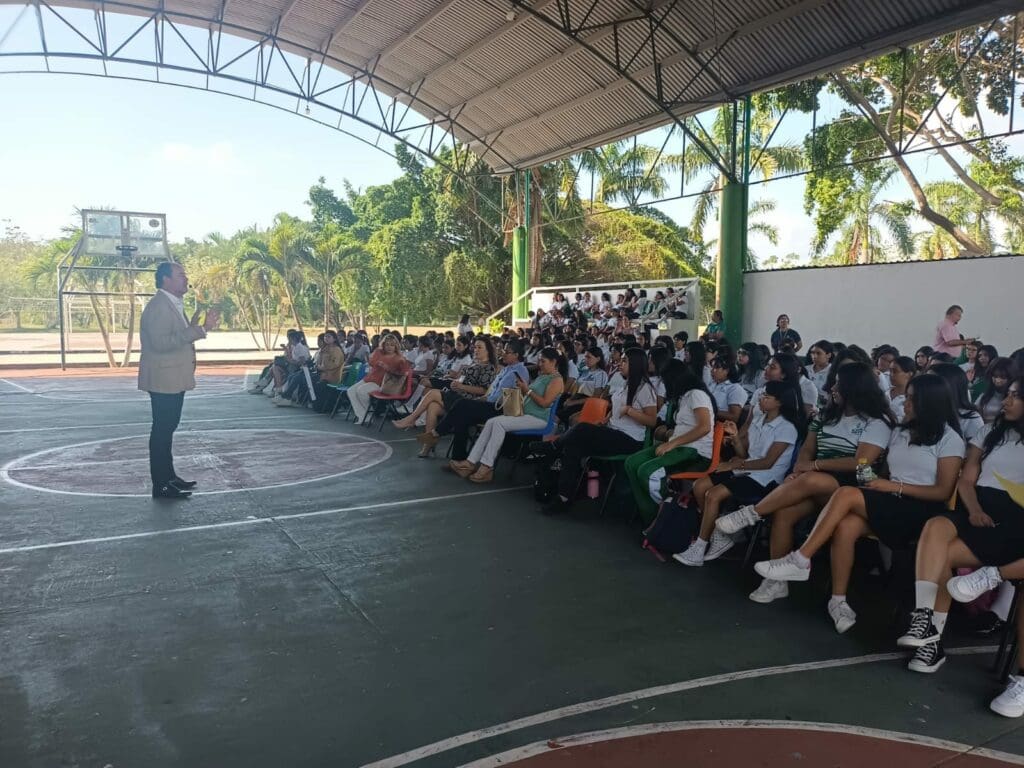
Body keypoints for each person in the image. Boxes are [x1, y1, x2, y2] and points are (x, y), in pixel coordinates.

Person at [755, 374, 965, 634]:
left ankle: (800, 559)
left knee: (845, 494)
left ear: (930, 403)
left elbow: (943, 492)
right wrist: (877, 480)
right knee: (846, 526)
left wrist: (893, 486)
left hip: (921, 510)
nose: (906, 403)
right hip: (892, 501)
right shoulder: (901, 432)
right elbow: (888, 473)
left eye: (912, 399)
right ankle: (838, 600)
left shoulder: (949, 439)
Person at [715, 363, 895, 602]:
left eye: (838, 383)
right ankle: (777, 583)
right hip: (815, 482)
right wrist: (800, 468)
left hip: (854, 487)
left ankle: (751, 513)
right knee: (784, 512)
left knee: (812, 478)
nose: (832, 388)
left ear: (855, 388)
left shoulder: (876, 422)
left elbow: (860, 462)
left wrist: (812, 467)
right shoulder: (827, 415)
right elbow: (808, 447)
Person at [896, 376, 1024, 675]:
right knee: (936, 526)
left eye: (1015, 396)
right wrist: (975, 509)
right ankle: (925, 620)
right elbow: (966, 480)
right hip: (977, 509)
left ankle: (932, 643)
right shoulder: (991, 431)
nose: (1006, 401)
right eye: (1008, 394)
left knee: (942, 552)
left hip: (1014, 521)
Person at [677, 380, 805, 567]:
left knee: (713, 495)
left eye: (767, 397)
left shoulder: (787, 427)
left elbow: (768, 462)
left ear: (779, 403)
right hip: (747, 469)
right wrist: (736, 437)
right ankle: (717, 536)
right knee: (700, 485)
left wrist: (733, 466)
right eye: (762, 395)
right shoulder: (759, 420)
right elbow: (744, 454)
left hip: (765, 479)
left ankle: (700, 547)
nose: (761, 399)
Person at [537, 347, 658, 515]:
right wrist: (608, 417)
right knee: (573, 447)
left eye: (625, 361)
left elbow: (652, 420)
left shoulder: (645, 389)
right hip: (613, 431)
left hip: (629, 440)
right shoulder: (627, 383)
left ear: (636, 364)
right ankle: (563, 497)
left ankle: (553, 445)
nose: (620, 364)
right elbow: (617, 407)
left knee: (582, 427)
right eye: (621, 360)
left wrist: (630, 411)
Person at [138, 262, 219, 499]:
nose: (186, 278)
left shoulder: (171, 304)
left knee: (167, 429)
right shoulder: (159, 307)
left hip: (171, 376)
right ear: (165, 280)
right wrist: (200, 329)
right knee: (162, 430)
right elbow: (161, 343)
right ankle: (161, 484)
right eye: (180, 275)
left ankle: (168, 477)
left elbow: (175, 337)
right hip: (164, 377)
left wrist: (196, 326)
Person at [449, 347, 565, 484]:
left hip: (539, 419)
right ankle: (470, 462)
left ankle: (487, 466)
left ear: (554, 362)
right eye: (539, 360)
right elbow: (530, 396)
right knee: (492, 421)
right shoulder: (543, 376)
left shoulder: (557, 380)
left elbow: (545, 403)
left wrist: (526, 390)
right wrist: (521, 390)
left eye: (543, 361)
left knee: (498, 423)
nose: (539, 364)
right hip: (526, 415)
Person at [623, 360, 716, 525]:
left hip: (694, 452)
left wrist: (672, 443)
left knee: (648, 471)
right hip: (679, 445)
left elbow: (704, 427)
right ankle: (649, 514)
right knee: (632, 463)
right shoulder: (684, 396)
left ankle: (667, 513)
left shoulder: (696, 394)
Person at [347, 333, 410, 423]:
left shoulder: (399, 358)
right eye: (387, 344)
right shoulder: (378, 352)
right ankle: (363, 415)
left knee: (361, 391)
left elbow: (403, 373)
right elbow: (371, 362)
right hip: (369, 378)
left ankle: (368, 414)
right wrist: (378, 361)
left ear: (396, 346)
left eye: (392, 345)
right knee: (351, 391)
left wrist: (389, 369)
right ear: (383, 345)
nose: (389, 347)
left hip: (383, 383)